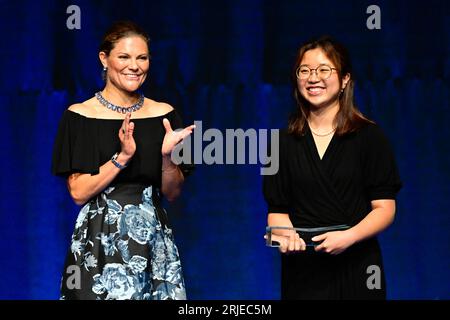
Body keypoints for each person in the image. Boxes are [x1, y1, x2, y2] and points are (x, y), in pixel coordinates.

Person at [52, 21, 195, 300]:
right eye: (124, 57)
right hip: (99, 240)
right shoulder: (80, 115)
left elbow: (173, 192)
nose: (135, 66)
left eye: (142, 58)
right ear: (104, 59)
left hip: (152, 238)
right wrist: (123, 157)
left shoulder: (165, 114)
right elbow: (78, 193)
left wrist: (166, 158)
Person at [263, 36, 402, 300]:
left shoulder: (370, 137)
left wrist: (348, 237)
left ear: (345, 79)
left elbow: (385, 209)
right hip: (303, 272)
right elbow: (277, 212)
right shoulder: (278, 143)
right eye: (305, 70)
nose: (313, 77)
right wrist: (285, 236)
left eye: (324, 69)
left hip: (357, 266)